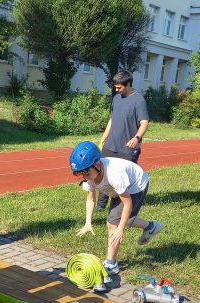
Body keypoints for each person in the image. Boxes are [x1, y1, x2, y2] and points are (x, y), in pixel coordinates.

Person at [70, 141, 162, 290]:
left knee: (114, 223)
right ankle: (151, 227)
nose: (84, 176)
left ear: (98, 164)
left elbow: (127, 204)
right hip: (119, 188)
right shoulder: (90, 176)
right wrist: (88, 223)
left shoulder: (114, 175)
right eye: (80, 173)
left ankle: (111, 263)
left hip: (135, 186)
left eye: (86, 172)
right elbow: (91, 199)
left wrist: (120, 229)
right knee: (122, 220)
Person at [96, 70, 149, 210]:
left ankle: (119, 206)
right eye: (115, 87)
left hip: (127, 148)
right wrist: (103, 138)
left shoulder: (139, 100)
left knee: (122, 179)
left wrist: (136, 138)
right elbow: (112, 120)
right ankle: (101, 205)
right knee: (103, 174)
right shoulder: (116, 98)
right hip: (110, 145)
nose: (116, 89)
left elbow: (144, 123)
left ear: (128, 84)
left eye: (119, 87)